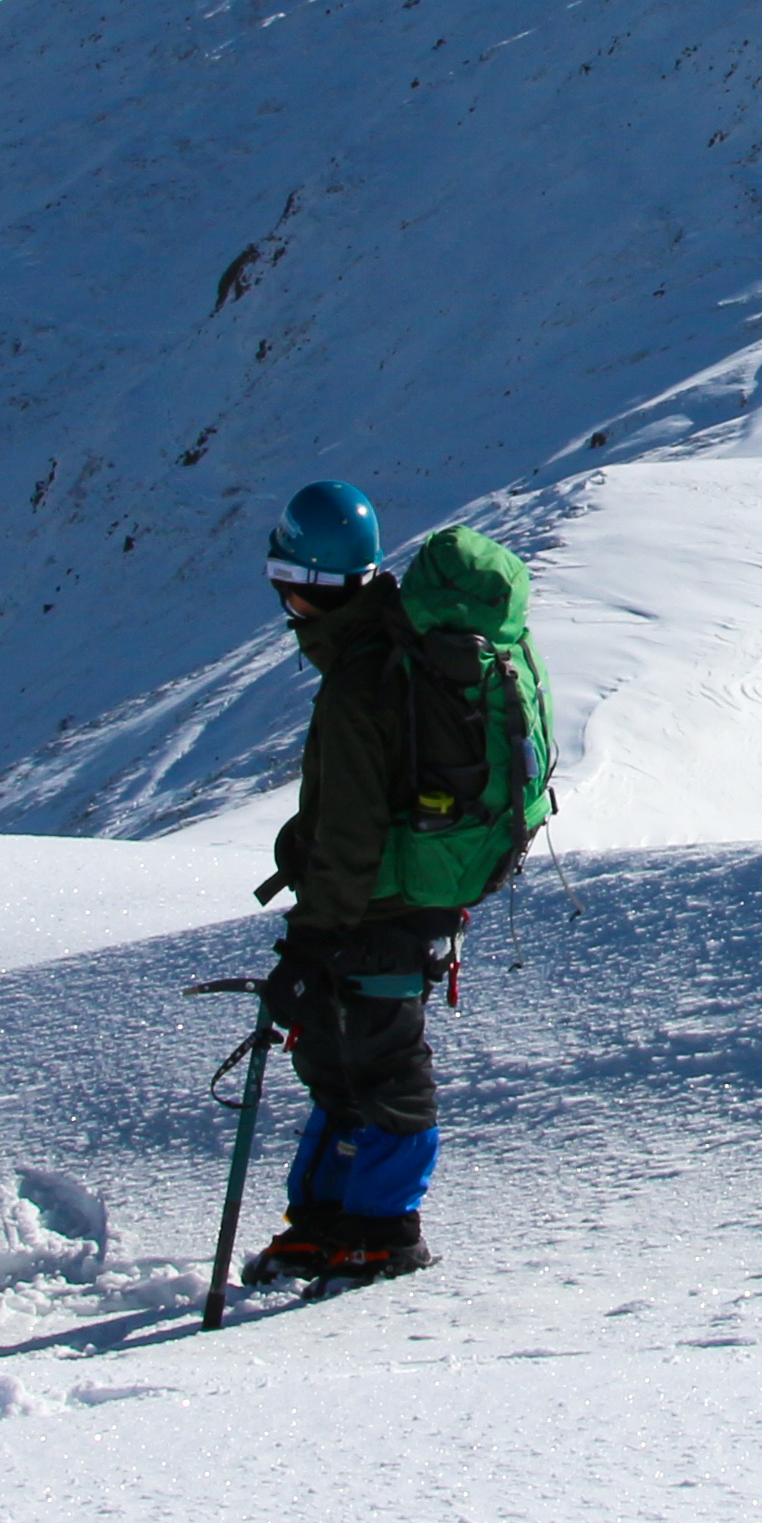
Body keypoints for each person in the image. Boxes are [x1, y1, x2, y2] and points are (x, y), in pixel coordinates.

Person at [242, 477, 549, 1300]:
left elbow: (349, 829)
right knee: (346, 1059)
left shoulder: (362, 677)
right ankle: (333, 1222)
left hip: (376, 906)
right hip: (415, 893)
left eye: (288, 590)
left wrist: (311, 940)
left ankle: (383, 1232)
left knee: (376, 1064)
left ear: (309, 589)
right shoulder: (394, 646)